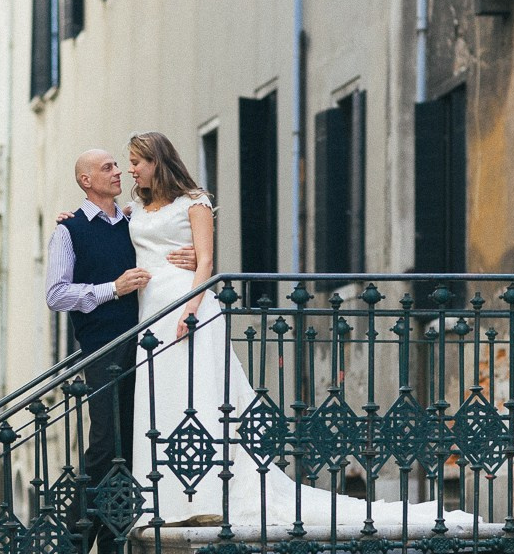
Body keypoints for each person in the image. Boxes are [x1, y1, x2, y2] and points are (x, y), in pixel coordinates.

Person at [126, 131, 475, 531]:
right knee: (162, 400)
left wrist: (189, 311)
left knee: (200, 396)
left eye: (137, 161)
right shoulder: (134, 209)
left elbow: (206, 262)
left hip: (188, 307)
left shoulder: (195, 202)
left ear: (157, 161)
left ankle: (205, 498)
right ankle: (162, 502)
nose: (131, 169)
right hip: (150, 312)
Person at [45, 148, 194, 554]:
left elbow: (163, 248)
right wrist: (112, 288)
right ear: (86, 181)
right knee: (104, 444)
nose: (117, 172)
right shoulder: (68, 231)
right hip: (102, 349)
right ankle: (70, 545)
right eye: (107, 167)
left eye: (117, 165)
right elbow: (56, 294)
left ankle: (113, 548)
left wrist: (194, 258)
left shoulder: (133, 221)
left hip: (145, 343)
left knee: (128, 446)